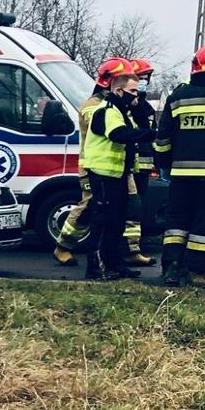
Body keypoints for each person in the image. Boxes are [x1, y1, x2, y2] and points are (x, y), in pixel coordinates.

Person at [153, 43, 205, 287]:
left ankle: (171, 268)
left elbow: (163, 137)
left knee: (176, 221)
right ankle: (196, 270)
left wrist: (163, 162)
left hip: (181, 173)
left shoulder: (178, 96)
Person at [81, 58, 157, 281]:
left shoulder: (123, 111)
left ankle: (114, 263)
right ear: (120, 90)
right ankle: (97, 267)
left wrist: (141, 114)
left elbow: (140, 129)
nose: (137, 94)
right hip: (104, 175)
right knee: (104, 221)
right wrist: (148, 134)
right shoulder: (107, 111)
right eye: (133, 91)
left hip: (118, 174)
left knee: (117, 221)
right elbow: (119, 135)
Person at [54, 58, 129, 266]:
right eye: (122, 80)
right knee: (88, 206)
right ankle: (63, 245)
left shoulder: (115, 103)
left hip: (115, 167)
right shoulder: (93, 105)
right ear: (109, 82)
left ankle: (118, 253)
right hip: (92, 166)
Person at [121, 57, 160, 266]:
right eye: (141, 77)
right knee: (130, 209)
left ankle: (133, 247)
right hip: (128, 166)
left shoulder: (145, 107)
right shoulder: (126, 106)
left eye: (146, 78)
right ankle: (128, 249)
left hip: (143, 167)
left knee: (138, 208)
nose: (144, 81)